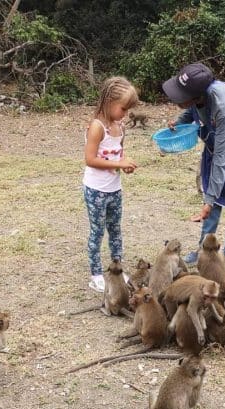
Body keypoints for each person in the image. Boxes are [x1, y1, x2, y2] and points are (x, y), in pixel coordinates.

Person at [163, 63, 225, 267]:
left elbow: (222, 158)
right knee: (211, 192)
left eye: (181, 95)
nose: (176, 98)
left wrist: (209, 200)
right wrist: (179, 122)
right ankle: (204, 251)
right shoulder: (199, 98)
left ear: (197, 96)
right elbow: (193, 113)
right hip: (218, 137)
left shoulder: (222, 107)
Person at [83, 76, 139, 292]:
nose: (125, 114)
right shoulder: (97, 127)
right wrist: (118, 163)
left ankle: (116, 268)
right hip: (96, 190)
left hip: (114, 189)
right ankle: (96, 273)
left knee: (115, 230)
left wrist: (123, 165)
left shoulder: (120, 127)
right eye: (123, 108)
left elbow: (116, 157)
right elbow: (90, 159)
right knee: (97, 231)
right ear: (108, 101)